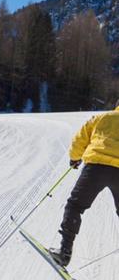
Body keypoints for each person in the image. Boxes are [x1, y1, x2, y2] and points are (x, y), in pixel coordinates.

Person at [49, 100, 119, 267]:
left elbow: (81, 138)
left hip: (96, 168)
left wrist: (75, 158)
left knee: (75, 205)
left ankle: (64, 251)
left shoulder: (102, 117)